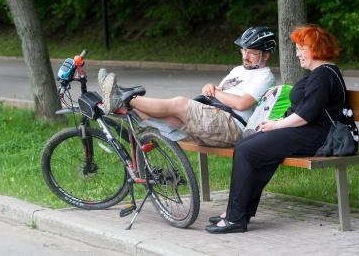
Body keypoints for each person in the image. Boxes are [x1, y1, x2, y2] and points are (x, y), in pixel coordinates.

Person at [205, 24, 346, 234]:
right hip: (307, 131)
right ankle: (238, 211)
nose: (297, 54)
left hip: (317, 135)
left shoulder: (324, 75)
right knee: (247, 144)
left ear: (316, 48)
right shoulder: (319, 73)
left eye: (301, 49)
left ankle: (236, 219)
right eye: (297, 49)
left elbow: (305, 115)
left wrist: (274, 125)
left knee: (247, 150)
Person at [98, 26, 276, 147]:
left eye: (252, 53)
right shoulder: (238, 70)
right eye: (243, 51)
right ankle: (120, 115)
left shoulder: (265, 76)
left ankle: (122, 99)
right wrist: (211, 88)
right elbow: (219, 95)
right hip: (213, 120)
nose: (245, 56)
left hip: (232, 126)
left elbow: (241, 104)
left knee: (180, 103)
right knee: (153, 114)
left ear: (266, 55)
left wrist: (215, 91)